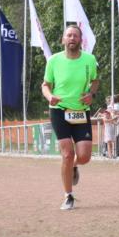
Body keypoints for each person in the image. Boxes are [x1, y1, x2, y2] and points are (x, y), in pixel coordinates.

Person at [42, 25, 99, 210]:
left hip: (81, 110)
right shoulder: (53, 60)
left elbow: (95, 80)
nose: (72, 38)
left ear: (80, 40)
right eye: (69, 35)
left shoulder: (89, 60)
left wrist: (91, 93)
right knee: (67, 153)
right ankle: (68, 195)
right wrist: (50, 97)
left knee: (84, 157)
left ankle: (73, 166)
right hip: (59, 109)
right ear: (63, 39)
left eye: (75, 35)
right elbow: (45, 85)